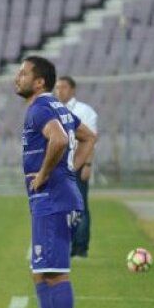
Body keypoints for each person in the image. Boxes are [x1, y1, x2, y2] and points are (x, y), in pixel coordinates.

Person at [14, 56, 96, 308]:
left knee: (55, 273)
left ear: (38, 82)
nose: (17, 78)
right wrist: (70, 171)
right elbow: (89, 137)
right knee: (40, 270)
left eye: (23, 74)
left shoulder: (41, 108)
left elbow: (60, 140)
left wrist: (48, 174)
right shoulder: (57, 107)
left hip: (54, 199)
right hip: (53, 198)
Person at [54, 76, 99, 258]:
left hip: (77, 165)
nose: (60, 91)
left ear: (73, 90)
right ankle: (63, 246)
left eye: (63, 87)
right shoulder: (54, 111)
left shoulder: (85, 111)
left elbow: (91, 139)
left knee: (79, 207)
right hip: (57, 165)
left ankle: (80, 248)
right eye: (57, 88)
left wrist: (88, 164)